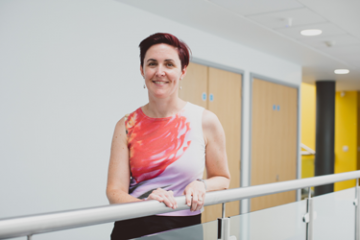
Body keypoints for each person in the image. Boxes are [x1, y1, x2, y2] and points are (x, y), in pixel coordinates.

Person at [106, 33, 230, 240]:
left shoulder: (205, 121)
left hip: (184, 228)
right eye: (152, 63)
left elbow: (223, 179)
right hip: (133, 226)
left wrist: (202, 184)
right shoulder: (126, 125)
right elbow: (114, 191)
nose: (160, 72)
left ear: (183, 71)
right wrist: (145, 205)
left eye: (169, 64)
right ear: (142, 70)